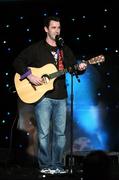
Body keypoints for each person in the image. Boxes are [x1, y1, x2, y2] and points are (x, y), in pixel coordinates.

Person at [13, 16, 87, 174]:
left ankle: (58, 166)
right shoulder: (37, 48)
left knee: (60, 134)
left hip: (61, 96)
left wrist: (80, 67)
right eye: (53, 27)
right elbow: (17, 62)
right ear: (46, 29)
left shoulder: (64, 49)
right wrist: (30, 75)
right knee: (44, 133)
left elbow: (73, 67)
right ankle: (45, 166)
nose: (57, 30)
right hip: (43, 97)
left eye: (59, 27)